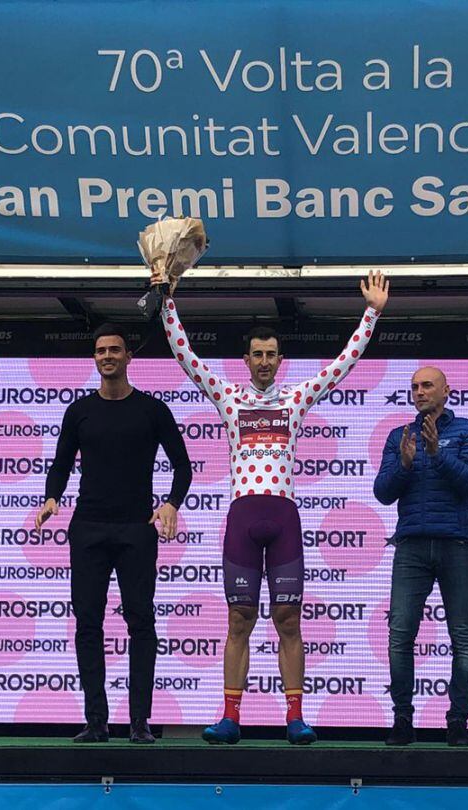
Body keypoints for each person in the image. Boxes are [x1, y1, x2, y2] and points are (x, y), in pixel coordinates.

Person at [156, 270, 389, 745]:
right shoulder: (229, 396)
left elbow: (342, 363)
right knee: (238, 620)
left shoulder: (296, 396)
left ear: (282, 360)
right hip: (244, 515)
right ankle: (230, 717)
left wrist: (372, 313)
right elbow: (186, 357)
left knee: (288, 620)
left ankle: (295, 717)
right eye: (257, 355)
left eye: (271, 355)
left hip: (282, 516)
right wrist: (167, 303)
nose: (264, 362)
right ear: (246, 360)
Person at [36, 323, 193, 745]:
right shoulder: (79, 411)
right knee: (88, 622)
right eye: (101, 351)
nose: (107, 356)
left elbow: (183, 465)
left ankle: (139, 723)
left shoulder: (152, 410)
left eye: (115, 350)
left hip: (136, 529)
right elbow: (61, 464)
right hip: (87, 528)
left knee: (141, 621)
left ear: (128, 357)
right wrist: (52, 498)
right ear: (95, 359)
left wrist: (171, 503)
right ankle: (97, 722)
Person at [373, 367, 468, 746]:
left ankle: (458, 722)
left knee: (463, 637)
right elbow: (383, 493)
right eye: (414, 387)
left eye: (427, 386)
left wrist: (437, 454)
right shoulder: (398, 436)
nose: (419, 392)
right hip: (411, 547)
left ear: (446, 390)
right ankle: (402, 719)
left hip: (457, 545)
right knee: (399, 636)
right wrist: (404, 464)